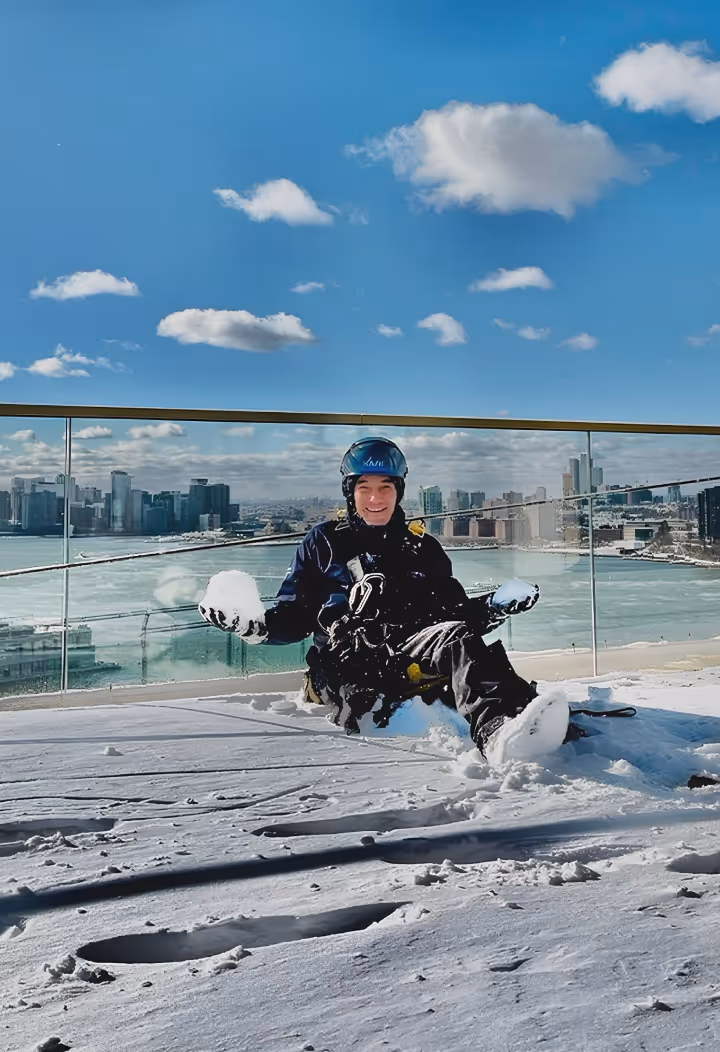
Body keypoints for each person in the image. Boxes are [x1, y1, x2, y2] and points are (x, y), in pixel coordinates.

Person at [198, 437, 540, 752]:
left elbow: (453, 621)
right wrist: (258, 629)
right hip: (347, 667)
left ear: (399, 492)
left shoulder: (423, 548)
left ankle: (500, 727)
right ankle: (506, 730)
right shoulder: (324, 543)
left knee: (458, 639)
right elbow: (296, 614)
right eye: (365, 488)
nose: (375, 499)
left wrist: (493, 607)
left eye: (385, 488)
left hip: (409, 660)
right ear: (351, 493)